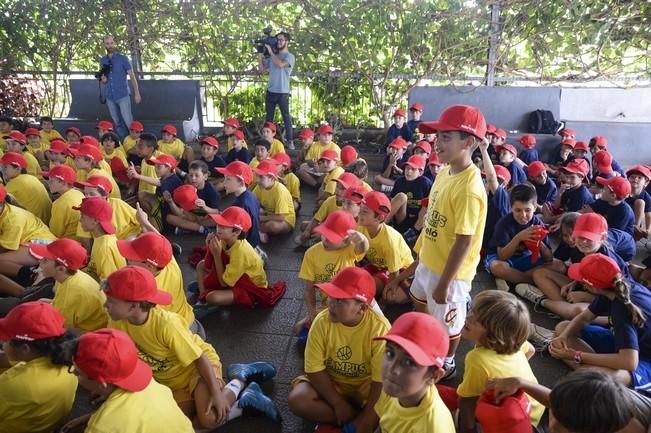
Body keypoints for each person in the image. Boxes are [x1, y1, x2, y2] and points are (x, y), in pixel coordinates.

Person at [103, 266, 281, 428]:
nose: (105, 305)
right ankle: (236, 393)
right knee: (175, 426)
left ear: (134, 306)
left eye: (110, 301)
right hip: (171, 382)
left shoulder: (166, 325)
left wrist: (217, 395)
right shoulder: (116, 321)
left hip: (197, 371)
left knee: (209, 419)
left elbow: (199, 358)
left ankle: (239, 383)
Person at [410, 105, 488, 379]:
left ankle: (448, 359)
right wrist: (420, 251)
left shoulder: (469, 188)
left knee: (449, 321)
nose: (436, 143)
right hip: (430, 260)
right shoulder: (444, 172)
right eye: (438, 136)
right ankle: (430, 337)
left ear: (469, 142)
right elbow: (433, 216)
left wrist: (445, 282)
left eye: (445, 137)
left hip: (450, 273)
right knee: (419, 298)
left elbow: (464, 242)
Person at [288, 266, 390, 433]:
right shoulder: (321, 322)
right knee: (298, 400)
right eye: (331, 297)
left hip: (366, 385)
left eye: (341, 300)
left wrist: (368, 418)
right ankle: (352, 418)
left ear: (362, 308)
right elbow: (313, 369)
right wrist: (337, 402)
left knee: (393, 405)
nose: (331, 304)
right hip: (332, 382)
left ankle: (351, 420)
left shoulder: (380, 329)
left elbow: (380, 381)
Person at [548, 253, 651, 392]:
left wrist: (576, 355)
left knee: (606, 377)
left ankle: (590, 375)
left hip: (643, 359)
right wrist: (563, 337)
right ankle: (589, 371)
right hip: (628, 345)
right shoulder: (616, 287)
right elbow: (584, 317)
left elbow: (630, 362)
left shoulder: (622, 307)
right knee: (563, 327)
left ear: (592, 287)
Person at [63, 328, 194, 433]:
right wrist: (91, 417)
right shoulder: (152, 385)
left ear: (102, 384)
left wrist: (96, 420)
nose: (74, 374)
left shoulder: (101, 427)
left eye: (77, 372)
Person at [456, 291, 544, 433]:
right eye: (472, 310)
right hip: (535, 408)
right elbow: (531, 350)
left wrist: (468, 428)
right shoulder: (514, 342)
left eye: (478, 320)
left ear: (496, 334)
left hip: (514, 422)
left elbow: (466, 401)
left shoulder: (477, 359)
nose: (469, 317)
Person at [488, 369, 651, 433]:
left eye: (559, 430)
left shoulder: (625, 423)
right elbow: (562, 402)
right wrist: (520, 382)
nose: (552, 426)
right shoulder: (603, 401)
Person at [0, 302, 78, 433]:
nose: (3, 344)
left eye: (5, 341)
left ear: (25, 348)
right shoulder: (68, 361)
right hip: (43, 424)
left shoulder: (12, 383)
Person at [373, 312, 455, 432]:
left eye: (408, 362)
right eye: (390, 353)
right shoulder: (392, 385)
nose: (393, 369)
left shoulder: (433, 427)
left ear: (434, 375)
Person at [29, 239, 108, 333]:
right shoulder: (66, 277)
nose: (40, 261)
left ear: (61, 269)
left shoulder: (74, 291)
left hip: (87, 336)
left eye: (45, 260)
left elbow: (59, 327)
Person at [485, 184, 552, 290]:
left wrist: (540, 242)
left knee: (559, 266)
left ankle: (513, 279)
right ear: (511, 208)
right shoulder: (504, 223)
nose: (523, 215)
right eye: (518, 210)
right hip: (503, 259)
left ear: (535, 208)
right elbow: (502, 256)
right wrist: (519, 237)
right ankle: (533, 280)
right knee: (497, 267)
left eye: (527, 210)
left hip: (525, 258)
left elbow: (549, 258)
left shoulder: (538, 223)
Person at [99, 35, 142, 139]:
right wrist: (103, 80)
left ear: (115, 43)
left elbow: (132, 76)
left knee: (128, 121)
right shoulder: (103, 60)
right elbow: (104, 79)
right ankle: (124, 143)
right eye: (107, 43)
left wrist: (137, 93)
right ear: (104, 45)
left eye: (111, 43)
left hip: (123, 95)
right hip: (110, 96)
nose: (110, 45)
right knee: (117, 122)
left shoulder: (123, 59)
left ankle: (135, 143)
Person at [258, 31, 295, 149]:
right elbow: (263, 71)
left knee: (286, 117)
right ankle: (267, 142)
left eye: (281, 40)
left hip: (283, 92)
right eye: (277, 40)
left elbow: (280, 64)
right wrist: (260, 57)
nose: (278, 42)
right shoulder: (273, 56)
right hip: (271, 91)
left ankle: (290, 141)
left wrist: (270, 52)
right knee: (269, 119)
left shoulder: (290, 57)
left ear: (287, 42)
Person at [216, 161, 262, 248]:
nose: (224, 183)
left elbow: (237, 235)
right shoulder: (250, 195)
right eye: (224, 178)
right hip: (254, 243)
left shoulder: (241, 204)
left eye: (228, 179)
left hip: (244, 248)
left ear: (241, 182)